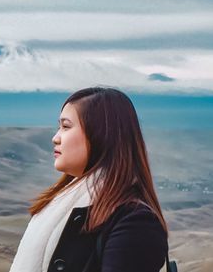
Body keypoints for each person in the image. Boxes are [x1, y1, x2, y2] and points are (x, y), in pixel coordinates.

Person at [9, 87, 169, 272]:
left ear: (101, 135)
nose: (55, 138)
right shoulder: (63, 204)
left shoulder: (136, 223)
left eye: (66, 126)